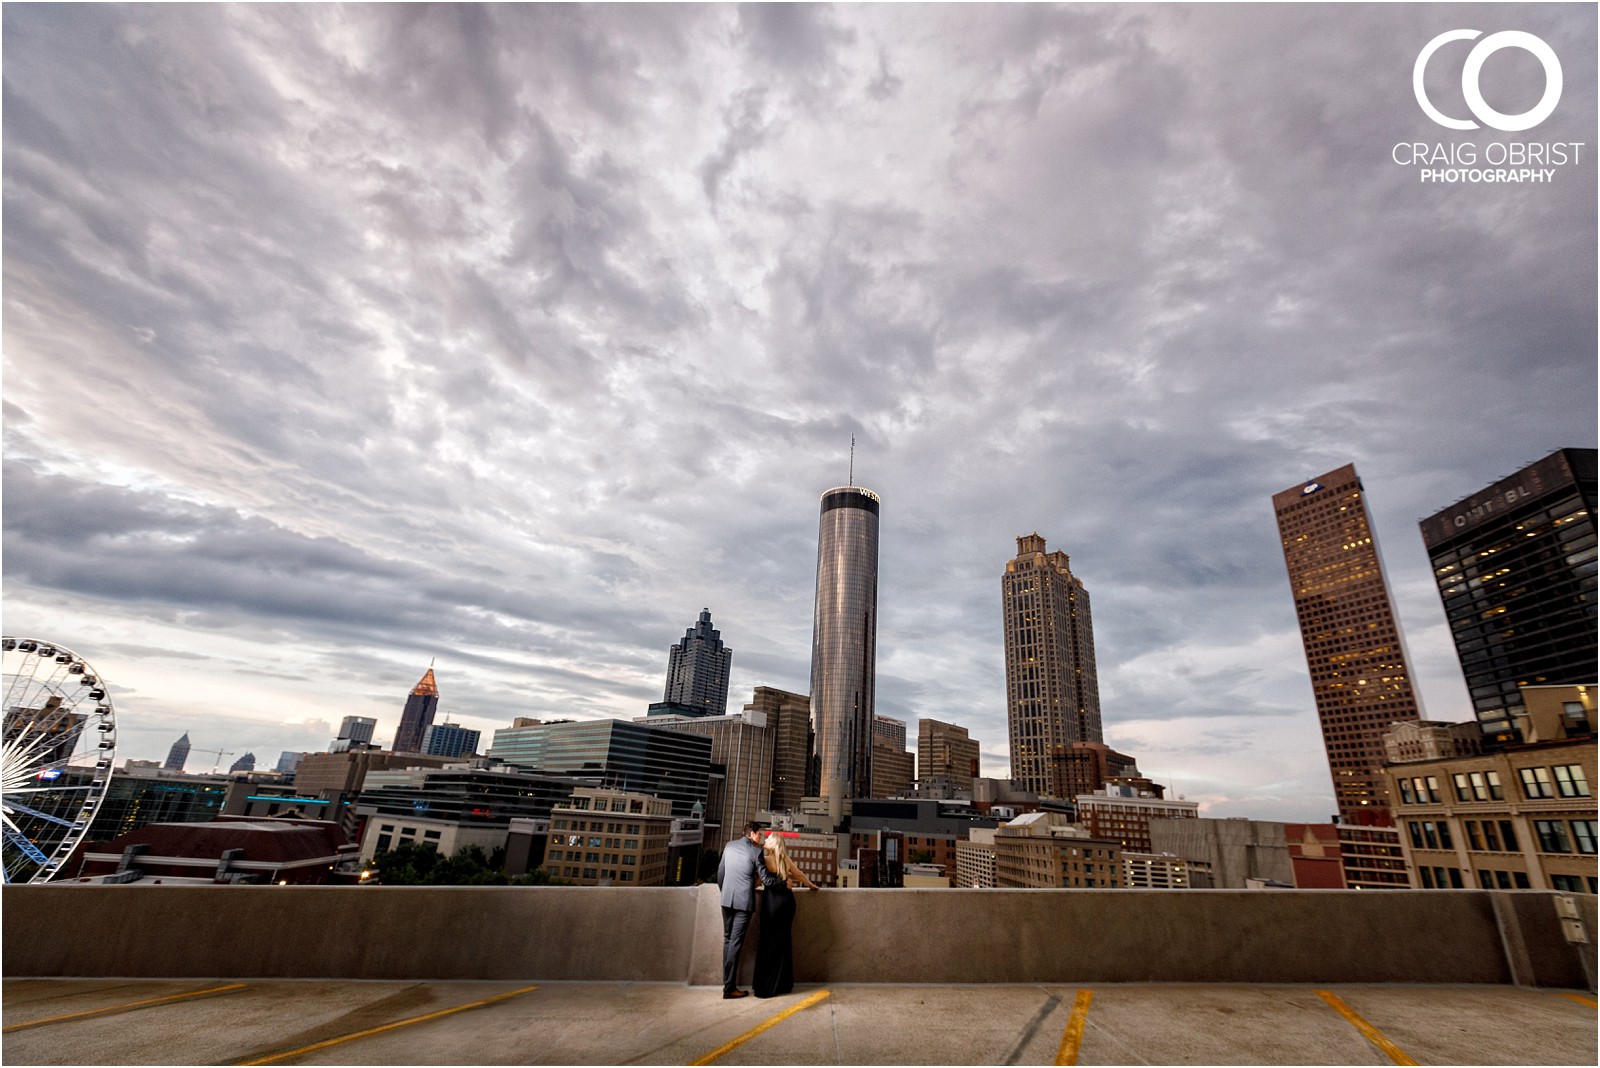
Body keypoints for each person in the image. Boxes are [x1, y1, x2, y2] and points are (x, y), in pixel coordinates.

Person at [752, 832, 818, 998]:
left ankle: (766, 984)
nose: (764, 840)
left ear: (773, 843)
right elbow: (799, 875)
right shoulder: (785, 860)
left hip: (772, 904)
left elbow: (759, 882)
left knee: (768, 941)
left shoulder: (764, 860)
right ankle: (782, 983)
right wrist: (812, 886)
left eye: (767, 839)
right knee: (782, 942)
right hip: (787, 903)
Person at [716, 822, 765, 999]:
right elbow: (763, 876)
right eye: (759, 834)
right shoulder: (756, 852)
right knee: (735, 944)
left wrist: (726, 892)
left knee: (728, 941)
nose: (761, 838)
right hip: (743, 902)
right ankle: (729, 989)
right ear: (752, 834)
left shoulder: (729, 846)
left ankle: (727, 984)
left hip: (726, 899)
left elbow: (720, 873)